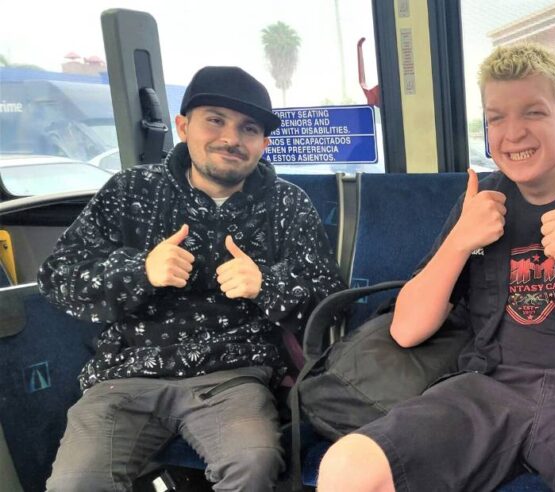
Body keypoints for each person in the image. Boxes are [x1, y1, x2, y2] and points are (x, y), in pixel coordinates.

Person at [317, 44, 555, 492]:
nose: (512, 133)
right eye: (496, 118)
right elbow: (406, 330)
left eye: (532, 112)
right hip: (489, 391)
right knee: (346, 466)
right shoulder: (478, 204)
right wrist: (460, 242)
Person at [39, 66, 345, 491]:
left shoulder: (288, 205)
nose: (231, 139)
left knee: (252, 464)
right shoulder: (132, 191)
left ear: (264, 143)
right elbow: (58, 278)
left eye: (248, 129)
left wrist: (266, 285)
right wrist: (140, 271)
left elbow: (330, 297)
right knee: (75, 483)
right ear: (184, 126)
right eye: (215, 120)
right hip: (126, 375)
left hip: (233, 376)